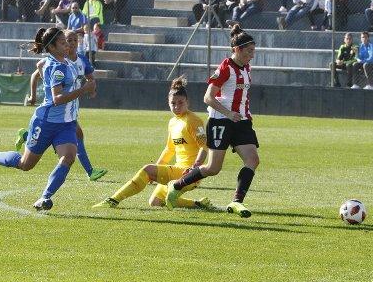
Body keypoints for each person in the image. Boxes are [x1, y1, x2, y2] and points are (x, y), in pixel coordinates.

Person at [0, 27, 97, 211]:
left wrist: (42, 68)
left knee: (69, 157)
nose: (68, 46)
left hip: (66, 124)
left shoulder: (60, 61)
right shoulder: (57, 68)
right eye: (63, 43)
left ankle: (45, 197)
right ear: (53, 47)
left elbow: (40, 66)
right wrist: (84, 90)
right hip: (46, 123)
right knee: (25, 164)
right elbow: (57, 99)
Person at [165, 25, 259, 218]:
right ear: (237, 49)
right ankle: (177, 186)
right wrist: (228, 112)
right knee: (212, 168)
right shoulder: (226, 67)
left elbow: (241, 94)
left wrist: (243, 112)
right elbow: (208, 97)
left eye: (253, 51)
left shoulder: (247, 67)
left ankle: (236, 202)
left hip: (241, 121)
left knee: (253, 159)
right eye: (249, 51)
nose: (252, 55)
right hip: (221, 121)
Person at [93, 77, 212, 210]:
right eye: (173, 103)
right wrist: (158, 166)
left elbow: (204, 146)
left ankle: (113, 200)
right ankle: (198, 204)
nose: (177, 107)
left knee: (147, 170)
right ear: (168, 103)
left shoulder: (193, 121)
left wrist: (195, 168)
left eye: (180, 103)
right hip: (177, 171)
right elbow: (169, 149)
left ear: (187, 102)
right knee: (155, 201)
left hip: (189, 174)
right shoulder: (173, 122)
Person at [15, 29, 107, 182]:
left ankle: (27, 135)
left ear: (78, 43)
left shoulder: (81, 60)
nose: (70, 44)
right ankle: (90, 171)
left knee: (75, 137)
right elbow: (38, 70)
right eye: (67, 41)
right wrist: (35, 95)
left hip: (71, 107)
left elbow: (90, 78)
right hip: (58, 111)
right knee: (77, 136)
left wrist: (92, 90)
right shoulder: (55, 61)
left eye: (73, 41)